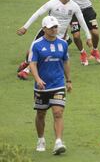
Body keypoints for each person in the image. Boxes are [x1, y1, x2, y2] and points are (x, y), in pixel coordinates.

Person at [17, 0, 92, 79]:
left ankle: (26, 71)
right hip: (45, 32)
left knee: (44, 55)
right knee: (30, 52)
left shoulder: (74, 6)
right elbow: (38, 13)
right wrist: (25, 27)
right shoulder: (52, 3)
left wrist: (88, 37)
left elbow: (82, 22)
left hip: (59, 36)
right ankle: (26, 63)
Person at [28, 16, 71, 155]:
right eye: (51, 27)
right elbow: (32, 63)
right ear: (44, 29)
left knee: (58, 113)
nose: (54, 29)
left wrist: (68, 80)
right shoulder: (37, 45)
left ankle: (58, 142)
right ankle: (41, 139)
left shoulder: (63, 44)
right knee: (41, 114)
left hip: (58, 84)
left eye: (56, 27)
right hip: (42, 86)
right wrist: (38, 79)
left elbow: (65, 61)